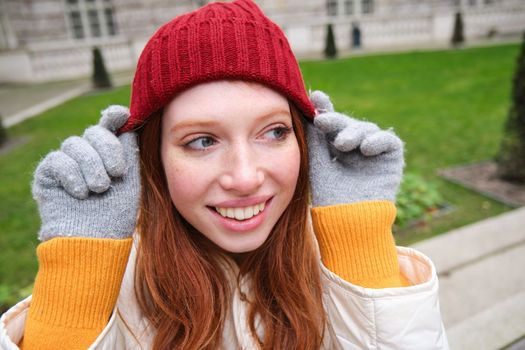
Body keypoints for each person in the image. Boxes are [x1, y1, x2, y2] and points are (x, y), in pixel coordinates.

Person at [0, 0, 449, 349]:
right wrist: (77, 270)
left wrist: (359, 236)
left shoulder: (341, 267)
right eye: (202, 141)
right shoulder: (109, 286)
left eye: (274, 132)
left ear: (305, 138)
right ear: (149, 156)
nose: (245, 177)